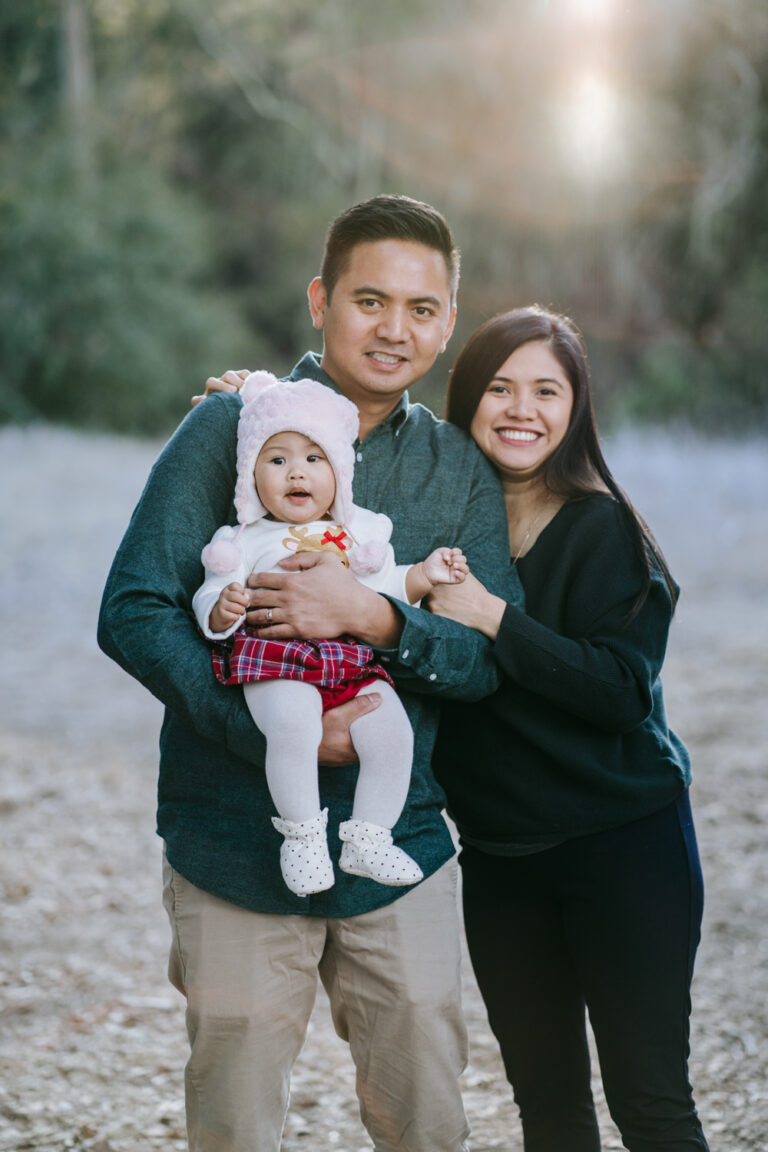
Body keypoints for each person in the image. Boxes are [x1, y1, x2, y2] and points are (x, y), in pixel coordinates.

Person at [98, 194, 520, 1152]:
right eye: (369, 300)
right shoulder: (227, 428)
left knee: (428, 1123)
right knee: (237, 1128)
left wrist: (377, 618)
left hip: (398, 851)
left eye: (421, 309)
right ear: (321, 300)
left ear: (448, 321)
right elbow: (132, 608)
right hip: (232, 844)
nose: (393, 329)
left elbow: (489, 658)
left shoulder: (456, 472)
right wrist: (262, 727)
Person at [428, 306, 710, 1151]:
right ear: (470, 400)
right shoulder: (439, 535)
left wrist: (490, 618)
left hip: (625, 849)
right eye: (501, 388)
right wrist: (254, 403)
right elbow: (324, 465)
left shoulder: (603, 527)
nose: (523, 409)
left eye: (547, 390)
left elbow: (621, 690)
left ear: (575, 406)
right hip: (503, 860)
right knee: (548, 1110)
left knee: (650, 1104)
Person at [193, 369, 467, 896]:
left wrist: (424, 574)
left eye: (314, 459)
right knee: (293, 727)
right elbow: (210, 593)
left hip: (349, 663)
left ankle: (368, 837)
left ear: (338, 472)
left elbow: (386, 587)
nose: (297, 473)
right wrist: (221, 609)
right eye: (277, 460)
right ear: (251, 476)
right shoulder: (244, 539)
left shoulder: (355, 536)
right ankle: (301, 836)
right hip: (276, 662)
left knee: (393, 734)